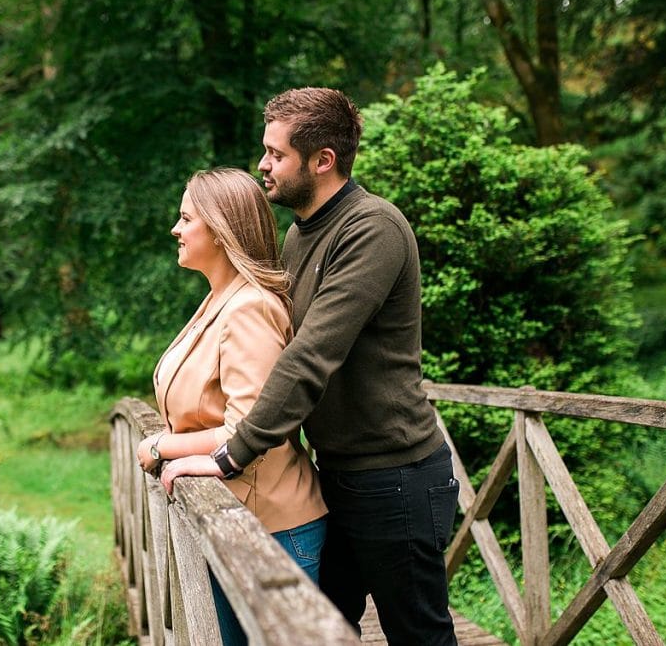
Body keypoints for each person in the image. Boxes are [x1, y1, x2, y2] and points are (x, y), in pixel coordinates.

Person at [160, 88, 460, 645]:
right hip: (336, 477)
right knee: (314, 630)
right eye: (265, 151)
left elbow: (311, 355)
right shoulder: (300, 236)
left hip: (395, 477)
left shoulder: (373, 228)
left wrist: (230, 453)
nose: (263, 165)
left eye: (276, 155)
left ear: (322, 160)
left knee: (419, 635)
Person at [136, 167, 327, 646]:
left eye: (185, 219)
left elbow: (248, 429)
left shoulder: (249, 309)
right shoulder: (221, 298)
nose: (175, 230)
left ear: (220, 232)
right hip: (235, 520)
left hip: (272, 530)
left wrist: (164, 445)